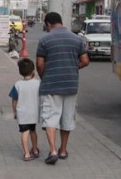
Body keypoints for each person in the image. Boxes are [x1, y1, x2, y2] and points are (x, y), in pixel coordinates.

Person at [36, 11, 89, 165]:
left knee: (50, 117)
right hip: (71, 85)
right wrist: (72, 68)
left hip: (51, 85)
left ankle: (53, 150)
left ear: (48, 24)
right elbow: (85, 60)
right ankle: (63, 150)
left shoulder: (45, 39)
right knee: (67, 117)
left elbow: (39, 63)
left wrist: (43, 76)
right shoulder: (77, 39)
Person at [8, 57, 41, 161]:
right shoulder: (38, 83)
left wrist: (14, 112)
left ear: (20, 72)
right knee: (33, 131)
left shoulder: (17, 84)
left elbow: (14, 100)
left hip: (22, 114)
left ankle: (26, 154)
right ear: (33, 71)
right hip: (34, 113)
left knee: (24, 132)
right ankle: (35, 150)